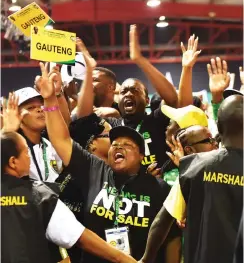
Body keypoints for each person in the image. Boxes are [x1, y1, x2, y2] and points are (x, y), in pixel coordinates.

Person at [34, 63, 181, 263]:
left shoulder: (159, 188)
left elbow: (172, 238)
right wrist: (50, 98)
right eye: (115, 144)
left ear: (141, 156)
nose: (118, 147)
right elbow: (62, 139)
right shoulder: (94, 169)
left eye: (127, 145)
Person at [1, 131, 137, 263]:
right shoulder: (40, 195)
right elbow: (79, 237)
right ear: (13, 162)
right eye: (26, 152)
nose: (29, 156)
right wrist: (124, 259)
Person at [140, 94, 243, 263]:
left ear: (218, 128)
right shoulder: (191, 167)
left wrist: (145, 260)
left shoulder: (194, 168)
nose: (169, 128)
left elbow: (162, 221)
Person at [75, 26, 178, 171]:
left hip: (161, 189)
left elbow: (172, 99)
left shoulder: (156, 120)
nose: (129, 94)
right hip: (127, 191)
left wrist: (140, 60)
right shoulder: (111, 126)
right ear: (119, 98)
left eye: (135, 91)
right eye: (124, 91)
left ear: (147, 100)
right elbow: (82, 120)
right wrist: (89, 71)